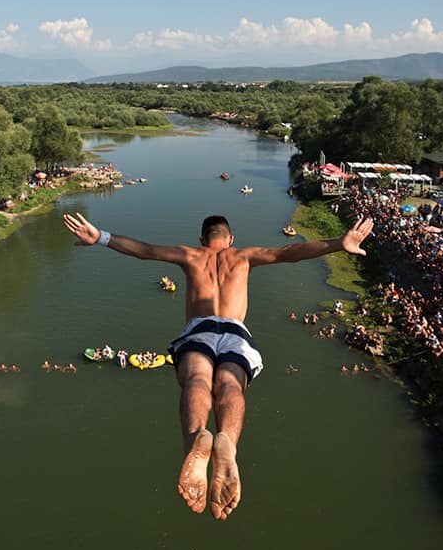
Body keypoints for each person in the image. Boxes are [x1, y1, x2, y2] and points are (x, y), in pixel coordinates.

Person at [63, 211, 373, 520]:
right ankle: (227, 441)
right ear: (230, 239)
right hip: (236, 333)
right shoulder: (244, 256)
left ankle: (196, 437)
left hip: (200, 330)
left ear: (202, 240)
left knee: (197, 379)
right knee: (230, 384)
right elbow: (289, 253)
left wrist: (100, 237)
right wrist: (337, 243)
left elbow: (146, 251)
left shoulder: (190, 255)